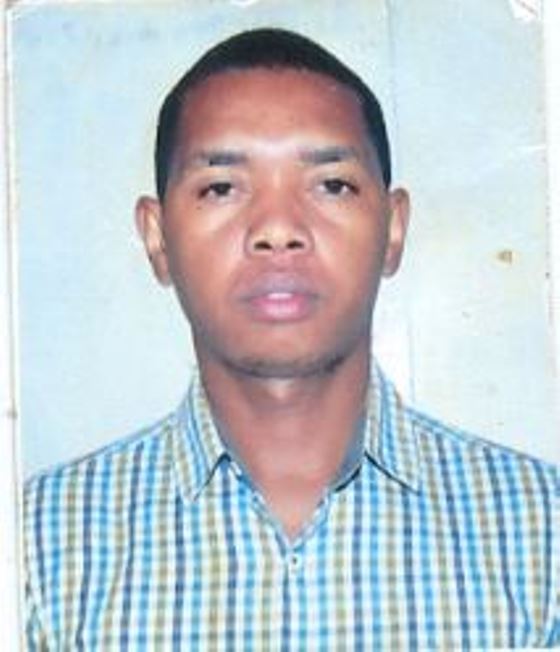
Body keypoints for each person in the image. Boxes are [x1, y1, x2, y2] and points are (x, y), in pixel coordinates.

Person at [24, 28, 559, 650]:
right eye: (221, 187)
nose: (278, 229)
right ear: (157, 237)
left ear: (393, 228)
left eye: (332, 184)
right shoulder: (37, 552)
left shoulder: (542, 538)